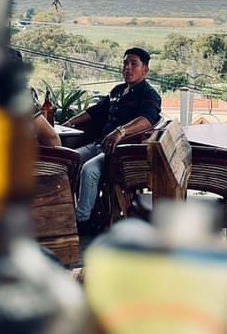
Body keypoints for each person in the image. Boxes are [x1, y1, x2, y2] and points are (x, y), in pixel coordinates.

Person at [65, 47, 161, 228]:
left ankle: (82, 221)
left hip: (120, 151)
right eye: (125, 63)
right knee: (70, 161)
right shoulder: (118, 90)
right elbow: (95, 111)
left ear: (145, 70)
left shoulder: (149, 94)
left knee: (89, 171)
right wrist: (69, 123)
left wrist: (120, 131)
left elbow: (147, 120)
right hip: (99, 144)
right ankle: (71, 211)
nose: (128, 68)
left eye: (134, 64)